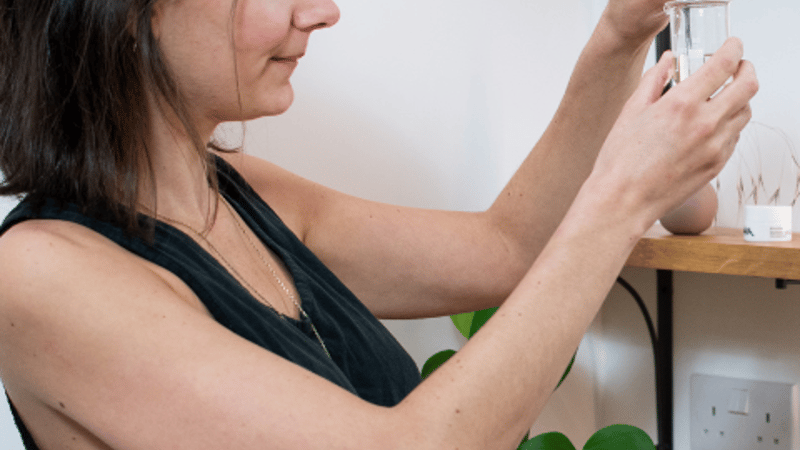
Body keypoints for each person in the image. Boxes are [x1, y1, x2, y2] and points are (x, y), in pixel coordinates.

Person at [0, 0, 757, 448]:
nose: (323, 10)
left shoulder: (232, 193)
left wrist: (620, 37)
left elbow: (507, 249)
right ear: (130, 15)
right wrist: (622, 198)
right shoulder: (40, 274)